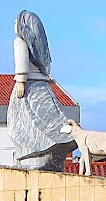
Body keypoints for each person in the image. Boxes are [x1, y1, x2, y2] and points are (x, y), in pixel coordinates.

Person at [7, 10, 77, 171]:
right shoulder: (39, 45)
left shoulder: (19, 41)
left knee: (20, 124)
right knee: (50, 118)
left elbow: (21, 61)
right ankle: (59, 148)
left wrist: (21, 80)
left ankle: (35, 155)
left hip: (28, 86)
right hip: (43, 86)